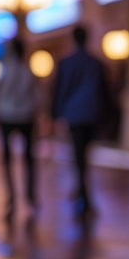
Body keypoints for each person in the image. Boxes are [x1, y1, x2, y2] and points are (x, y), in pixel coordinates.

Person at [51, 25, 110, 217]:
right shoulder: (95, 63)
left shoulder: (67, 63)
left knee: (78, 156)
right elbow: (104, 91)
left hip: (75, 115)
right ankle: (84, 193)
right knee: (84, 155)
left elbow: (61, 90)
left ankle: (83, 194)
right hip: (91, 114)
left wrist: (56, 114)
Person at [0, 36, 38, 220]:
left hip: (6, 116)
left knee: (7, 159)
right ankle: (30, 196)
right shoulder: (28, 70)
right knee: (29, 159)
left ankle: (11, 197)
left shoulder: (5, 70)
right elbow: (36, 95)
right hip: (26, 116)